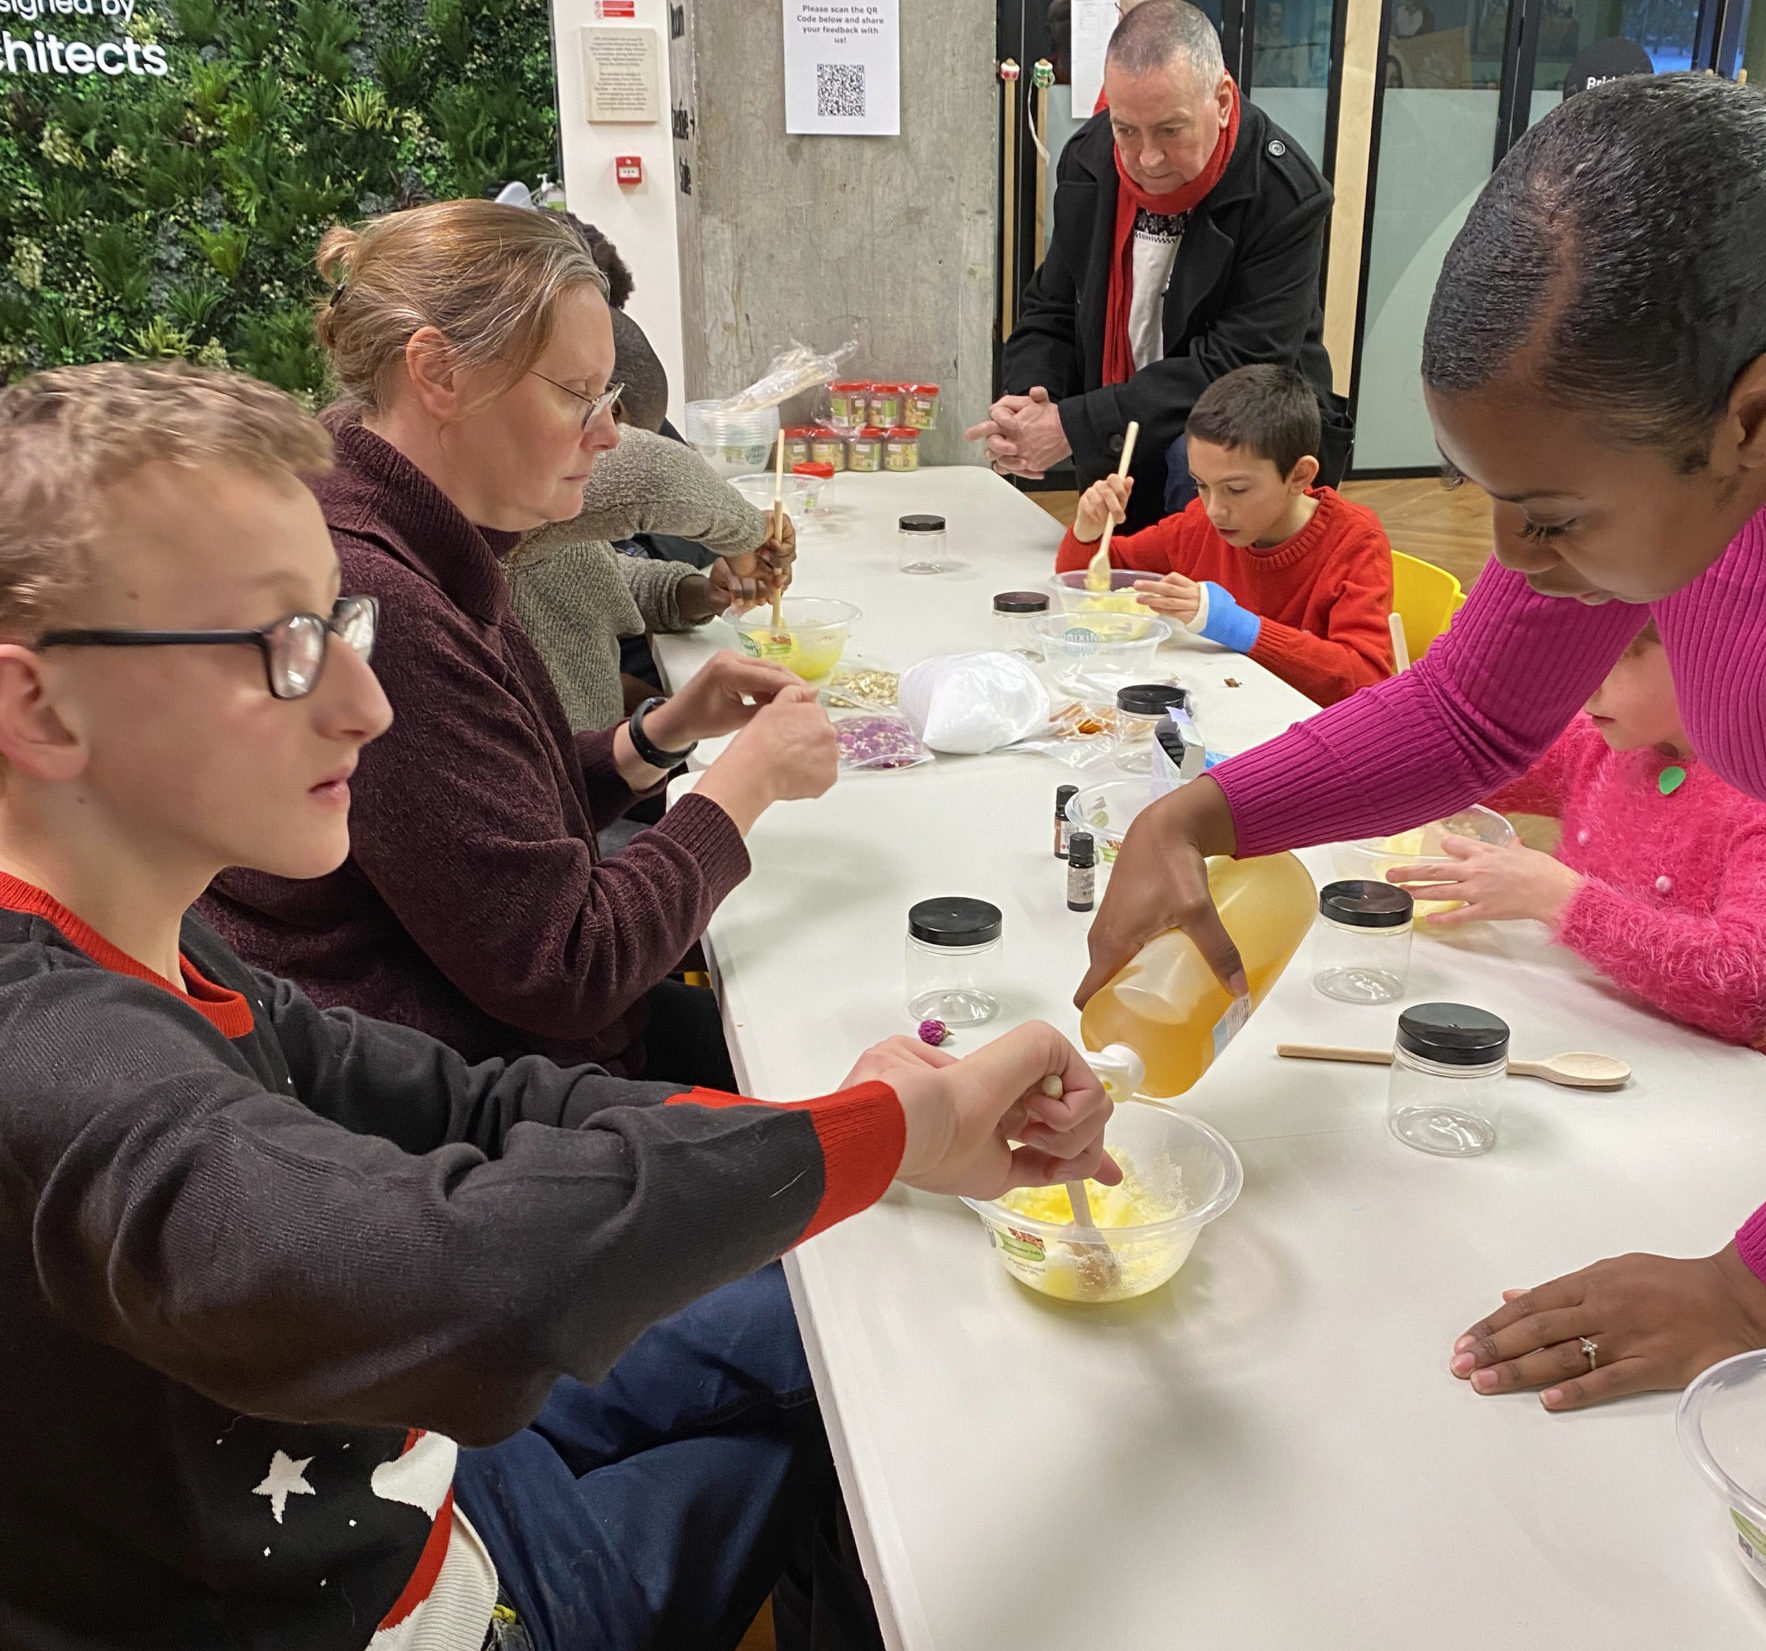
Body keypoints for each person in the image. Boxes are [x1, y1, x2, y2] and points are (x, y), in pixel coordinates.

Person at [0, 358, 1117, 1651]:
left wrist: (862, 1121)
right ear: (36, 700)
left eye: (338, 626)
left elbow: (479, 1097)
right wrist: (887, 1133)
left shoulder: (157, 942)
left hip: (407, 1463)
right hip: (420, 1601)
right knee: (887, 1388)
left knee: (850, 1313)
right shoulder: (54, 1055)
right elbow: (451, 1269)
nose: (367, 705)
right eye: (283, 649)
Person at [1075, 35, 1766, 1410]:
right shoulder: (1681, 409)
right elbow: (1473, 706)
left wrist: (1750, 1284)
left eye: (1555, 517)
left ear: (1754, 414)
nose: (1511, 563)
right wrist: (1200, 809)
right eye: (1486, 499)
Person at [203, 200, 837, 1087]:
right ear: (438, 372)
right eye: (579, 394)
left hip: (476, 1042)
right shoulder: (377, 599)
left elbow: (479, 819)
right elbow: (568, 966)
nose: (610, 432)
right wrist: (747, 783)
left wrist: (652, 737)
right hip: (457, 1097)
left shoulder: (406, 530)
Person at [1389, 623, 1766, 1067]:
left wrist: (1557, 897)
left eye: (1614, 659)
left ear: (1710, 659)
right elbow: (1480, 769)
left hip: (1696, 1078)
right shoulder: (1617, 737)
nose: (1584, 686)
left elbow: (1749, 990)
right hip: (1575, 1027)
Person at [966, 0, 1339, 532]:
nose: (1147, 160)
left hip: (1243, 448)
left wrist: (1073, 426)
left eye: (1171, 130)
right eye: (1127, 130)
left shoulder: (1284, 194)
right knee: (1116, 589)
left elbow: (1235, 366)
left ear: (1224, 101)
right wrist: (1030, 399)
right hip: (1126, 430)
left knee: (1196, 471)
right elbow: (1053, 306)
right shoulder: (1091, 161)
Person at [508, 305, 790, 733]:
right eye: (588, 400)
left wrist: (695, 594)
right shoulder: (510, 495)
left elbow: (596, 576)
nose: (609, 442)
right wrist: (748, 534)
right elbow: (650, 473)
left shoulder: (545, 533)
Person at [1055, 363, 1392, 706]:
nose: (1215, 508)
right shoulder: (1201, 523)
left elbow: (1365, 680)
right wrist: (1089, 529)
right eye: (1201, 484)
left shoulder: (1354, 541)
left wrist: (1236, 626)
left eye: (1236, 489)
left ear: (1299, 475)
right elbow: (1086, 577)